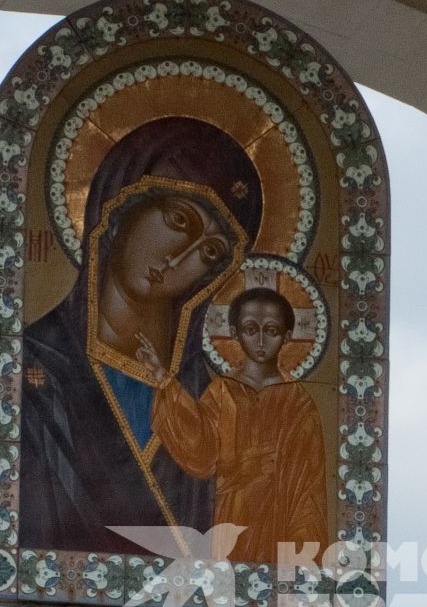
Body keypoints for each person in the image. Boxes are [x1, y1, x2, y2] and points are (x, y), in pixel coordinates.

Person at [17, 116, 262, 555]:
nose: (179, 258)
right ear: (119, 206)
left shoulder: (209, 406)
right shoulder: (31, 367)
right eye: (178, 220)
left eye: (210, 252)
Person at [148, 282, 328, 567]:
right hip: (229, 514)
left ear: (287, 336)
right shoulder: (222, 392)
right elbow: (201, 450)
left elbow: (309, 484)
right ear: (234, 333)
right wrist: (166, 384)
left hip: (277, 515)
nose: (259, 341)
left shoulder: (298, 402)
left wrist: (303, 552)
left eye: (271, 331)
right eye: (250, 329)